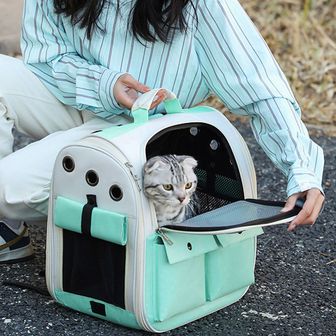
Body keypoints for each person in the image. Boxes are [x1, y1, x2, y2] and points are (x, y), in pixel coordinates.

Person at [0, 0, 325, 263]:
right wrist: (106, 84)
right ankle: (8, 233)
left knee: (5, 189)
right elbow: (45, 58)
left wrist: (302, 169)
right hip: (81, 95)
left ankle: (124, 213)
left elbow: (258, 85)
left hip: (139, 133)